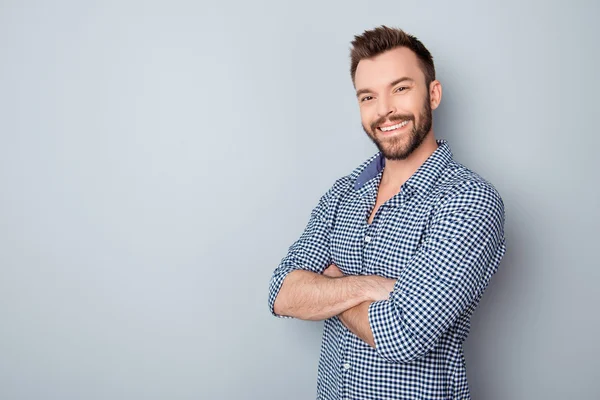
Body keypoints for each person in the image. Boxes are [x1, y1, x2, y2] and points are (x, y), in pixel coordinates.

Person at [267, 25, 506, 400]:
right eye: (367, 97)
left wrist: (331, 285)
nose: (384, 110)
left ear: (433, 93)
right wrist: (368, 286)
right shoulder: (343, 193)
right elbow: (282, 293)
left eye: (400, 88)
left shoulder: (468, 201)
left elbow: (404, 334)